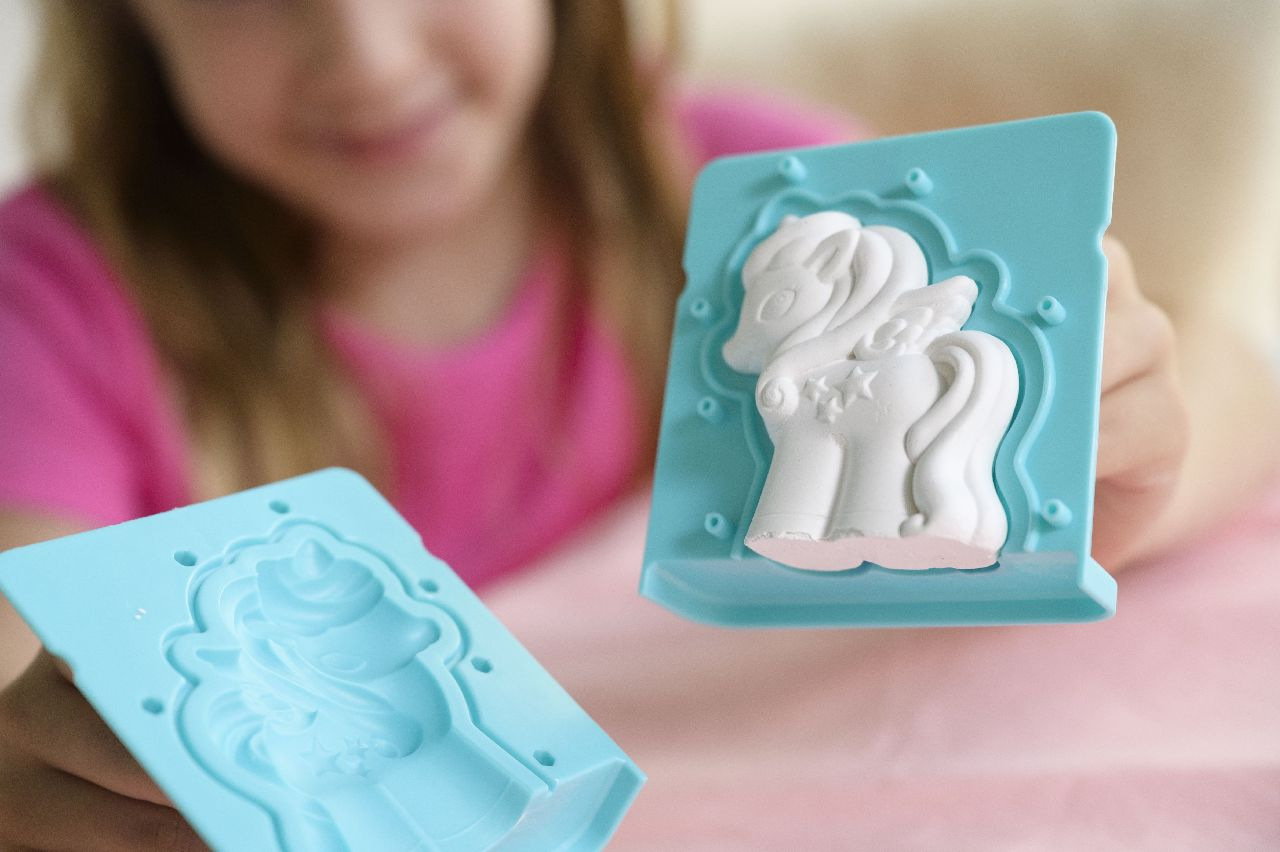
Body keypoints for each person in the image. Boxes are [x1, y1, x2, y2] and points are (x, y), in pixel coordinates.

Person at [0, 1, 1198, 849]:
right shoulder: (51, 300)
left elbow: (1234, 380)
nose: (364, 56)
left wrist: (1123, 461)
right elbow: (20, 634)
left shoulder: (746, 188)